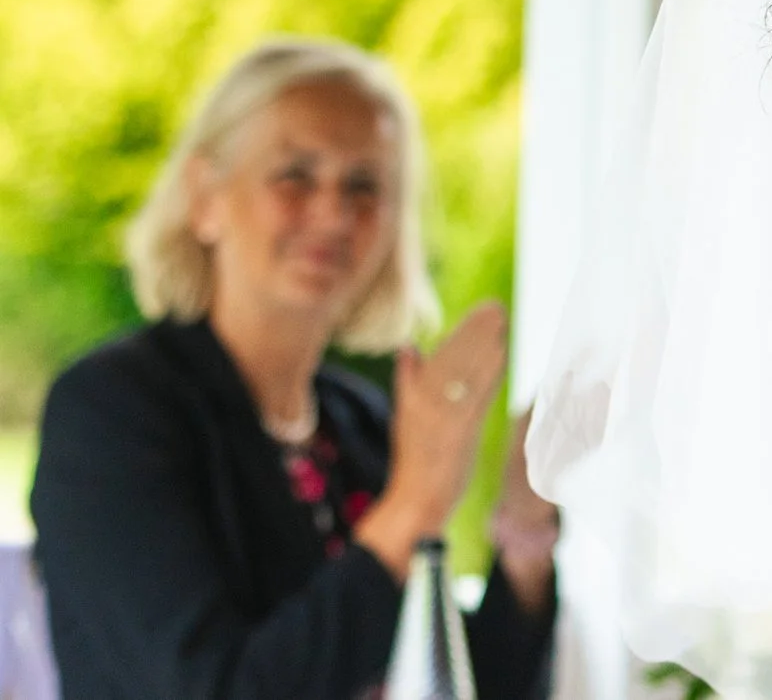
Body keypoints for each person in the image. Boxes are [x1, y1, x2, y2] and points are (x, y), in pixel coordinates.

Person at [30, 38, 559, 700]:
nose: (335, 212)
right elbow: (215, 687)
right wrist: (413, 508)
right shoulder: (112, 411)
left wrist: (525, 523)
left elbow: (459, 683)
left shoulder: (362, 421)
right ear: (205, 197)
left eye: (365, 184)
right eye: (295, 175)